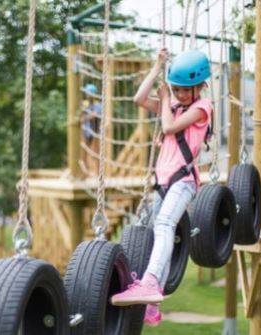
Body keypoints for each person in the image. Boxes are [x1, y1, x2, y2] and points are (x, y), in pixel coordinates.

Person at [111, 49, 213, 327]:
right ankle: (153, 305)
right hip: (164, 183)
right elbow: (139, 99)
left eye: (183, 90)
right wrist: (157, 68)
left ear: (199, 86)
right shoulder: (177, 105)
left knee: (165, 225)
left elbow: (169, 128)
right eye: (175, 89)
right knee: (159, 234)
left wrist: (166, 98)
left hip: (183, 182)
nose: (178, 95)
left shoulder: (202, 107)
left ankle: (151, 282)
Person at [81, 83, 102, 171]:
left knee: (96, 151)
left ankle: (98, 171)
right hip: (86, 130)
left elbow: (94, 115)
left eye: (90, 93)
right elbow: (82, 117)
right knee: (84, 151)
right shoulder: (84, 104)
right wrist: (87, 116)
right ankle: (85, 170)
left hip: (95, 131)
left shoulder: (98, 105)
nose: (88, 95)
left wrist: (86, 116)